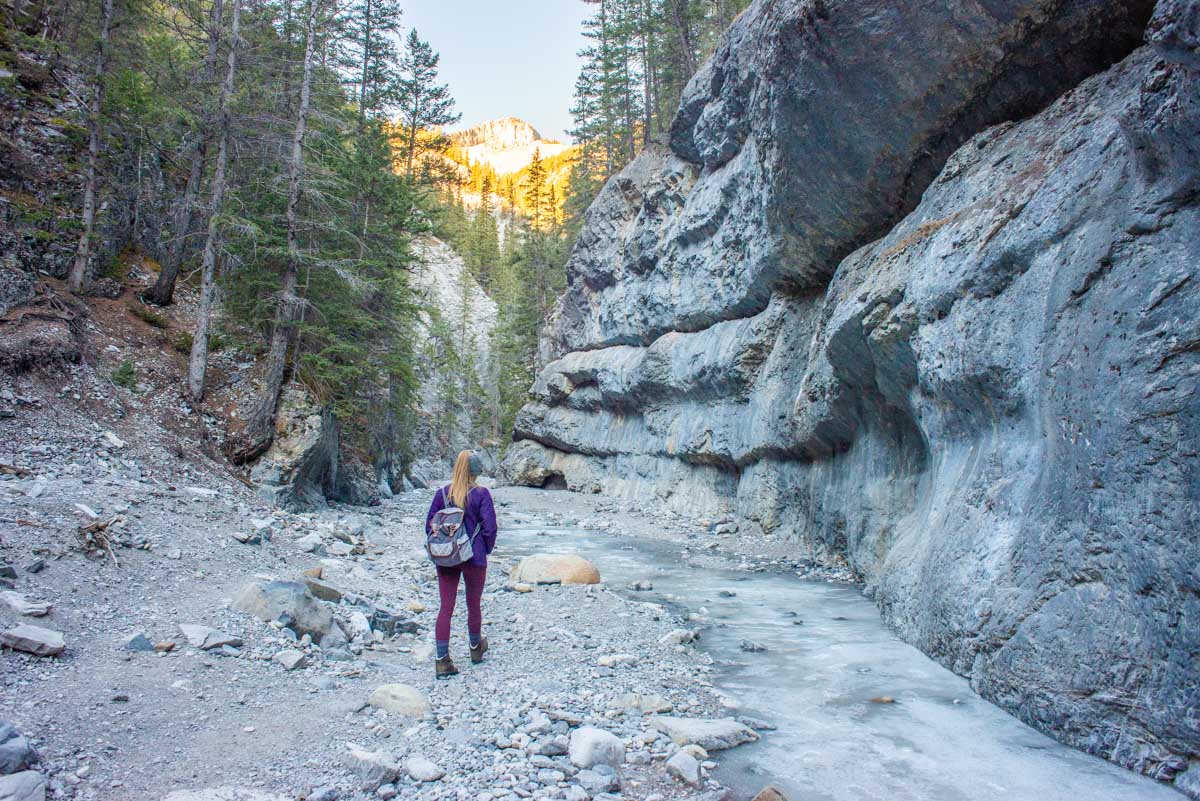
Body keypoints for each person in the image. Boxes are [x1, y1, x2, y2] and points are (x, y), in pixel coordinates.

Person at [424, 450, 497, 678]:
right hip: (473, 557)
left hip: (446, 557)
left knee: (446, 607)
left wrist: (444, 547)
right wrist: (484, 549)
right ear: (476, 471)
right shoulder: (481, 494)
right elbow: (490, 528)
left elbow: (430, 526)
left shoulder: (442, 494)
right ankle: (476, 649)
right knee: (473, 604)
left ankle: (442, 659)